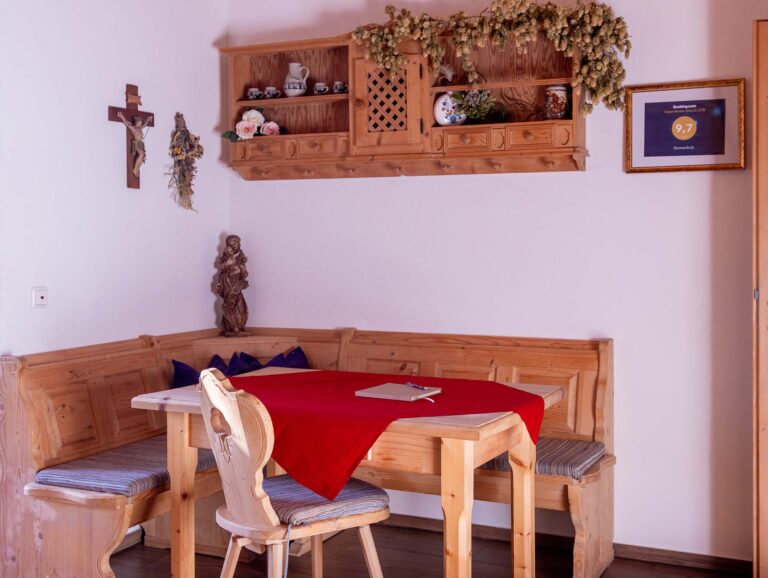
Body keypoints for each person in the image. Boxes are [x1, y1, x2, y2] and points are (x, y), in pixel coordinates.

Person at [215, 235, 251, 336]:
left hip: (237, 284)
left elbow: (245, 272)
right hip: (227, 283)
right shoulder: (226, 256)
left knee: (241, 305)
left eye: (235, 243)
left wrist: (240, 269)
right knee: (230, 303)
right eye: (230, 245)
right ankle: (233, 326)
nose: (233, 246)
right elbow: (220, 266)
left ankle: (240, 325)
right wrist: (227, 263)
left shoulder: (240, 257)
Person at [117, 111, 153, 177]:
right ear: (136, 123)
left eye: (140, 122)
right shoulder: (133, 128)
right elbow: (126, 123)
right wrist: (121, 116)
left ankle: (138, 169)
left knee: (143, 158)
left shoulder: (140, 128)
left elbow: (145, 124)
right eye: (139, 122)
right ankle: (134, 169)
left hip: (141, 144)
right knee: (141, 155)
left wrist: (148, 119)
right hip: (136, 143)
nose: (140, 123)